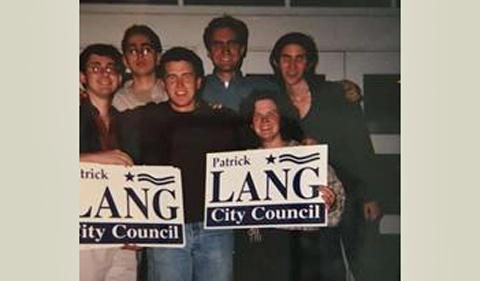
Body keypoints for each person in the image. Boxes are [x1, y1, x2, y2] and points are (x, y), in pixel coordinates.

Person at [119, 47, 241, 281]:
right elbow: (104, 124)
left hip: (216, 228)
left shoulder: (223, 119)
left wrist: (303, 139)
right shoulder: (144, 118)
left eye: (186, 76)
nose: (180, 85)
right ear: (163, 84)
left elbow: (263, 143)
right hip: (167, 229)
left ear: (198, 82)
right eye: (172, 78)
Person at [269, 32, 383, 281]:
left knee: (366, 266)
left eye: (299, 58)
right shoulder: (275, 102)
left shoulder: (335, 94)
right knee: (327, 269)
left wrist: (370, 195)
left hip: (351, 192)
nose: (292, 65)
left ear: (309, 62)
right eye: (286, 58)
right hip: (312, 200)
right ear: (276, 62)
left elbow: (361, 145)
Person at [239, 90, 346, 280]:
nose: (265, 121)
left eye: (271, 114)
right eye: (258, 115)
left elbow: (337, 208)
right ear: (250, 122)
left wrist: (330, 204)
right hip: (261, 255)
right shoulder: (241, 163)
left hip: (303, 253)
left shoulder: (307, 155)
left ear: (282, 119)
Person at [79, 43, 136, 281]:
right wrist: (93, 159)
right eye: (95, 67)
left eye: (111, 68)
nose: (105, 73)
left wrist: (141, 226)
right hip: (82, 235)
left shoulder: (129, 123)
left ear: (120, 77)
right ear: (82, 77)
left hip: (122, 236)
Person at [201, 15, 276, 112]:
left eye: (232, 44)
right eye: (218, 45)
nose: (225, 51)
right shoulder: (197, 88)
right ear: (209, 52)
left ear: (242, 50)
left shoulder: (265, 87)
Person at [113, 24, 168, 112]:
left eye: (146, 50)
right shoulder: (117, 100)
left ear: (158, 57)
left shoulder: (171, 92)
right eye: (133, 51)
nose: (140, 55)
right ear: (125, 60)